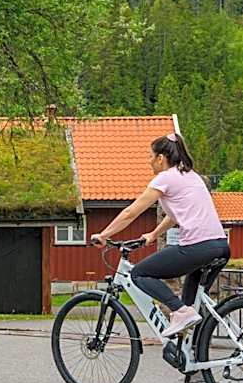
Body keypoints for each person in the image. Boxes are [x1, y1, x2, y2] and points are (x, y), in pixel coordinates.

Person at [91, 133, 230, 337]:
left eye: (150, 157)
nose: (149, 162)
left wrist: (104, 235)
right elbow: (175, 215)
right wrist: (154, 234)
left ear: (161, 158)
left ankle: (180, 312)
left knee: (139, 273)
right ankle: (194, 358)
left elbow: (131, 212)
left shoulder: (164, 178)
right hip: (220, 246)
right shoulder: (191, 176)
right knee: (191, 305)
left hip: (196, 247)